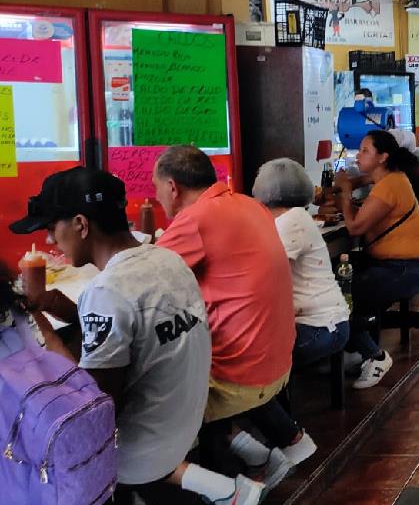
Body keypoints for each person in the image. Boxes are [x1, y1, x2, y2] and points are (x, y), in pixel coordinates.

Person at [8, 167, 261, 505]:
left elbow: (93, 412)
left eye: (53, 228)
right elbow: (132, 324)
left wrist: (41, 327)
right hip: (184, 432)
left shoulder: (109, 291)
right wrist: (52, 302)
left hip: (139, 457)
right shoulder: (168, 260)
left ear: (81, 225)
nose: (52, 240)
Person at [152, 146, 314, 488]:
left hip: (242, 373)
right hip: (280, 361)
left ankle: (226, 488)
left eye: (157, 190)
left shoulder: (196, 219)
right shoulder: (249, 205)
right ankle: (263, 454)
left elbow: (142, 279)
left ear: (172, 187)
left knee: (161, 400)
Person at [334, 130, 419, 388]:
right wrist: (347, 191)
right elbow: (366, 210)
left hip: (402, 269)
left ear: (383, 157)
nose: (358, 155)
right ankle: (357, 348)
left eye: (365, 150)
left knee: (339, 299)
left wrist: (344, 195)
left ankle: (374, 356)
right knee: (344, 292)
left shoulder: (390, 185)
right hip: (397, 266)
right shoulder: (391, 180)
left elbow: (355, 228)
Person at [251, 159, 351, 367]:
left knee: (251, 360)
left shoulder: (291, 221)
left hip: (320, 327)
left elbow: (273, 281)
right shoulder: (294, 217)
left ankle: (271, 400)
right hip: (323, 323)